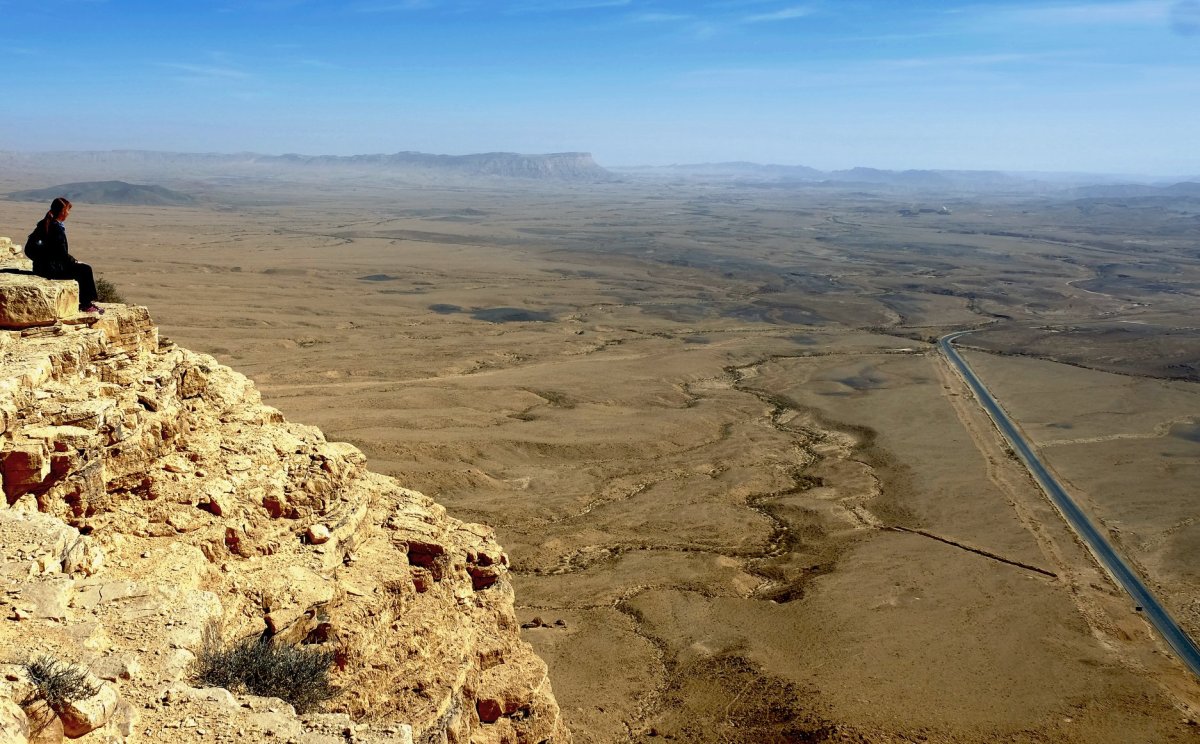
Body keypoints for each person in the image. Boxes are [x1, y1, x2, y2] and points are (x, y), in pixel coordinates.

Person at [26, 197, 105, 314]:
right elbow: (61, 254)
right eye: (68, 210)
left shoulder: (45, 224)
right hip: (52, 269)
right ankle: (86, 304)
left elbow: (31, 249)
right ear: (62, 211)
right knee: (85, 270)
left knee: (81, 268)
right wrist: (74, 261)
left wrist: (42, 260)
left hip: (41, 267)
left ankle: (85, 303)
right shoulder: (56, 228)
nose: (68, 213)